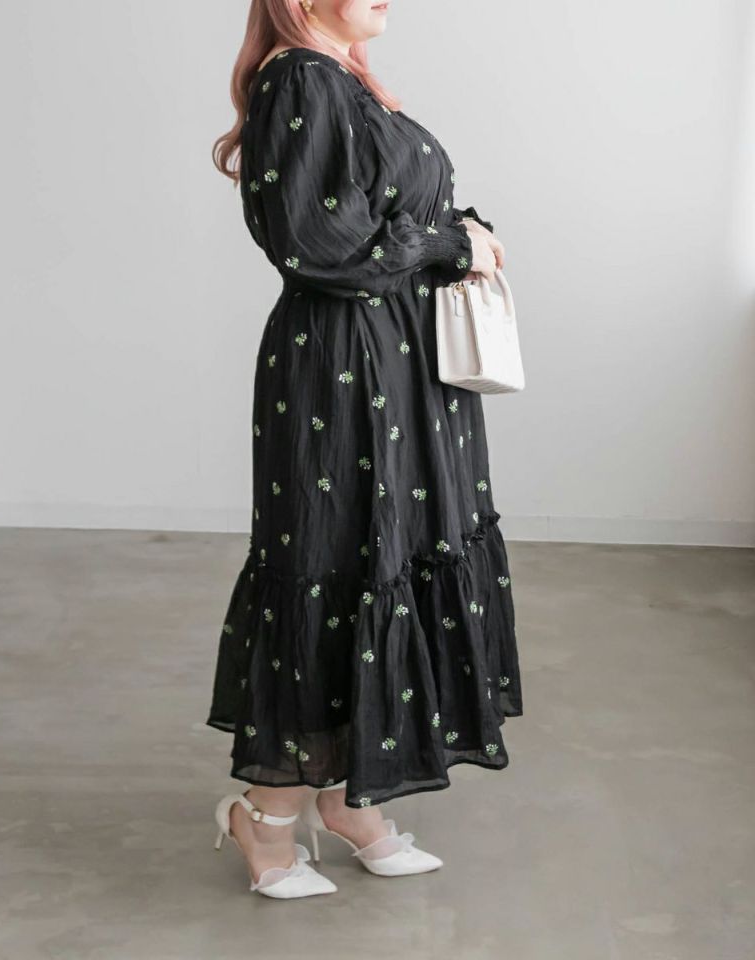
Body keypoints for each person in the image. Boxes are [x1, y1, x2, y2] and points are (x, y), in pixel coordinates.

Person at [207, 0, 522, 899]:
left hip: (401, 361)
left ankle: (352, 799)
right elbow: (316, 245)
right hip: (345, 367)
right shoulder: (301, 78)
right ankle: (266, 817)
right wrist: (453, 242)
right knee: (335, 563)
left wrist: (463, 234)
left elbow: (382, 215)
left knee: (389, 556)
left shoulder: (344, 81)